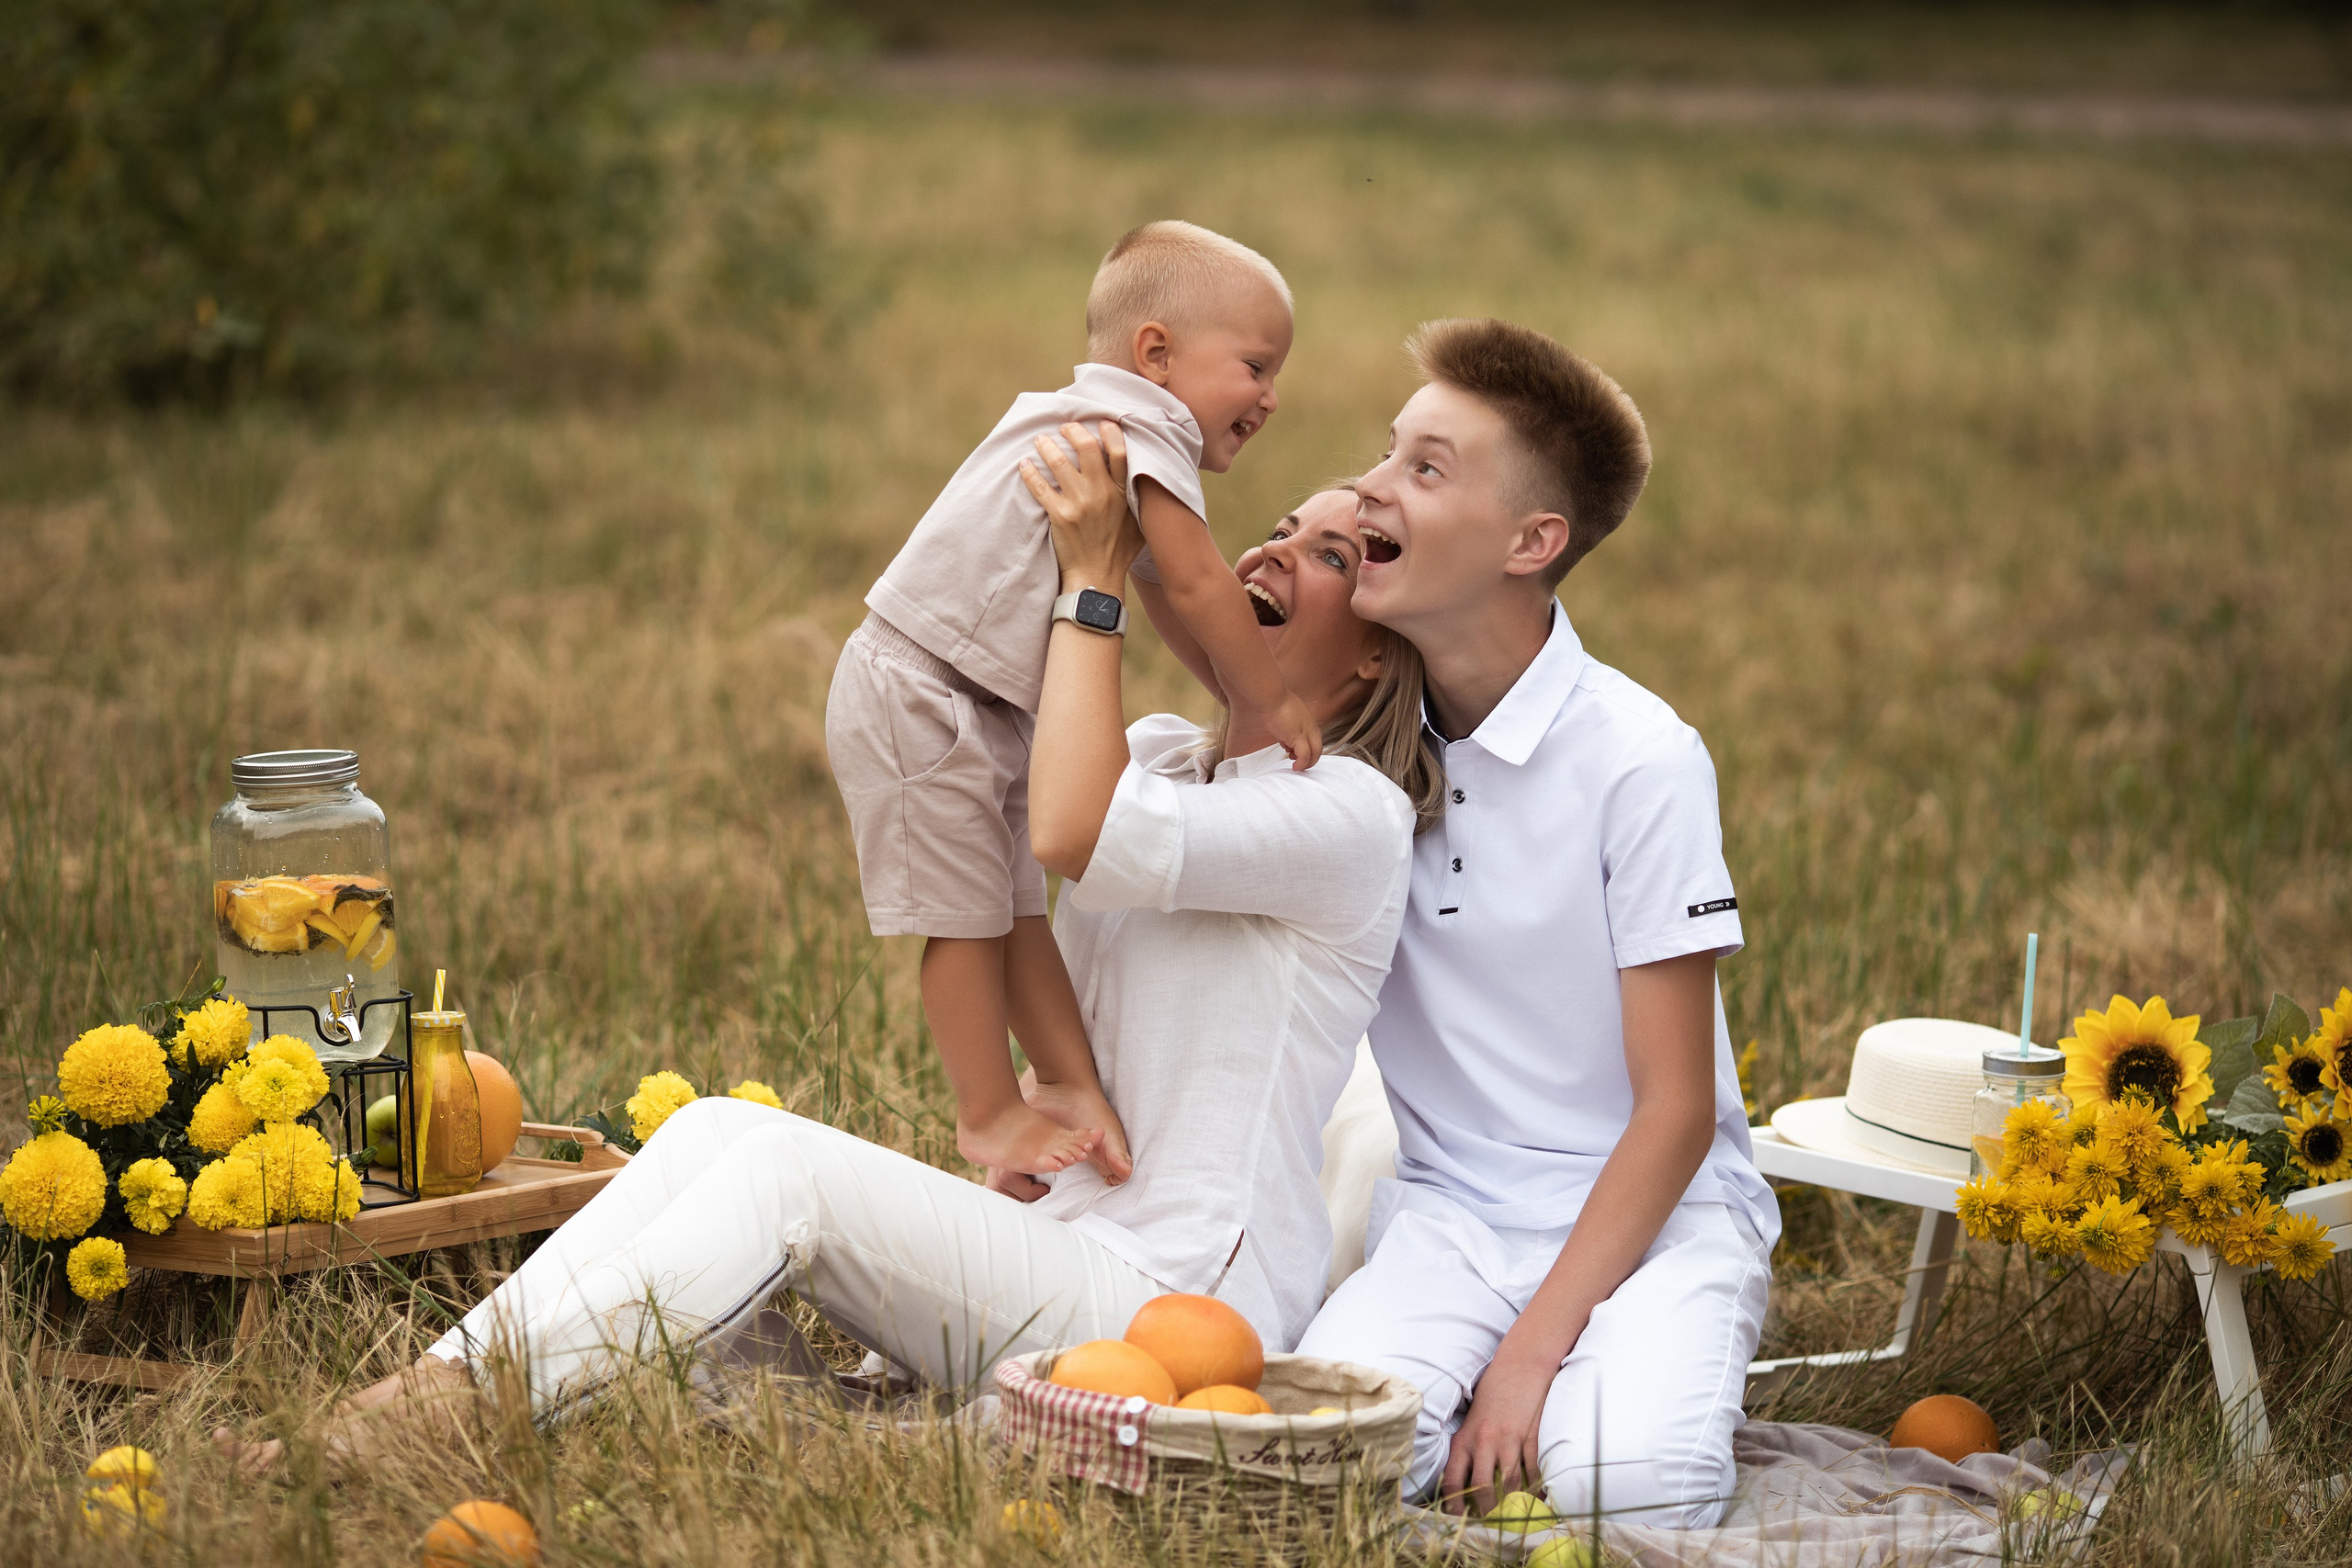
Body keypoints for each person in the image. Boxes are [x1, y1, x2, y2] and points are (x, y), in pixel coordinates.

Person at [217, 426, 1434, 1470]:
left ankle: (438, 1416)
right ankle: (440, 1388)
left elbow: (1072, 827)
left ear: (1380, 649)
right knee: (713, 1130)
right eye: (1276, 528)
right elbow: (1013, 865)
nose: (1272, 552)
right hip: (1065, 1250)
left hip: (1170, 1311)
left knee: (783, 1180)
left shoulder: (1350, 818)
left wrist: (1091, 582)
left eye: (1332, 555)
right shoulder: (1165, 755)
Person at [1297, 320, 1780, 1529]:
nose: (1372, 483)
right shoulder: (1358, 738)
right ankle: (1493, 1383)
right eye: (1387, 449)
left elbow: (1676, 1110)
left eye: (1426, 467)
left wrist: (1525, 1357)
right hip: (1451, 1214)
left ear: (1532, 542)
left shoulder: (1640, 758)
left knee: (1632, 1490)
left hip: (1656, 1217)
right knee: (1320, 1467)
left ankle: (1570, 1379)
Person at [826, 220, 1324, 1187]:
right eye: (1256, 367)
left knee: (1016, 910)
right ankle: (987, 1112)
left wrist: (1229, 691)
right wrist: (1268, 697)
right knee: (967, 918)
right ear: (1157, 355)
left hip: (977, 702)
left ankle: (1065, 1081)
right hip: (923, 691)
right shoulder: (1138, 429)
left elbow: (1162, 590)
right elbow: (1199, 583)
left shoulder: (1101, 427)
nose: (1271, 396)